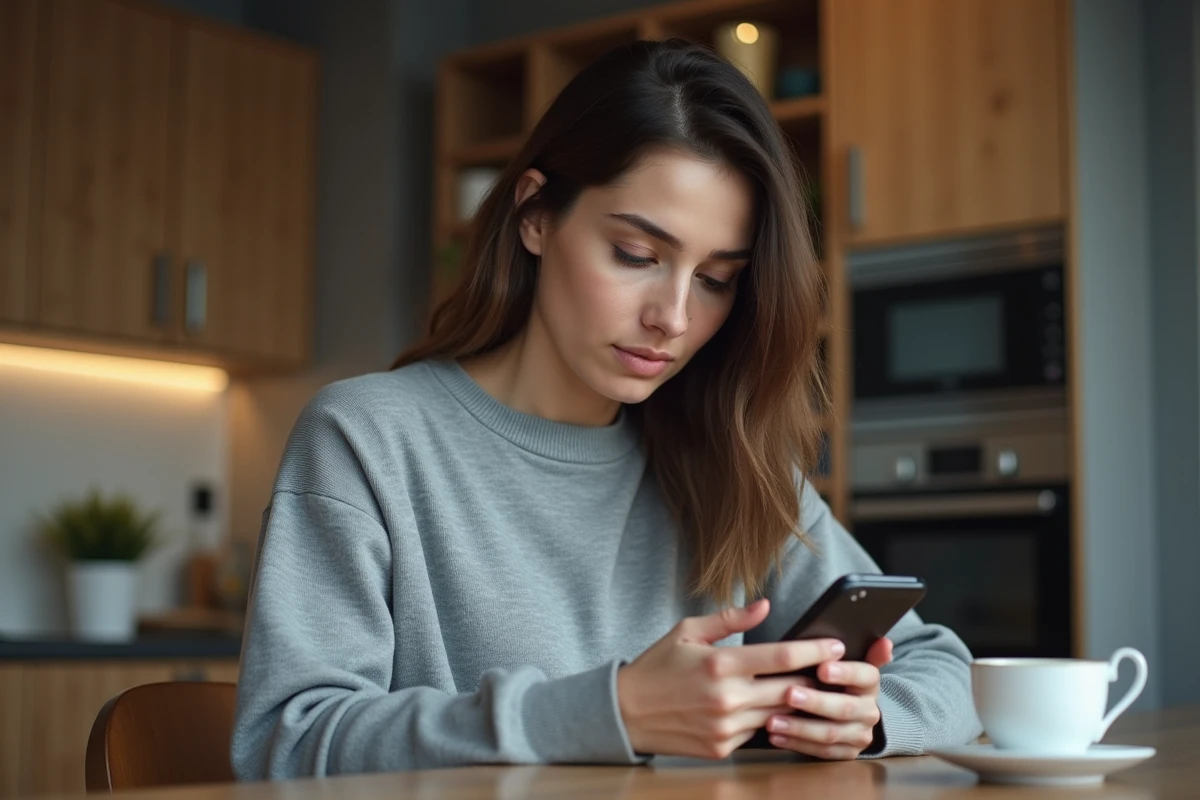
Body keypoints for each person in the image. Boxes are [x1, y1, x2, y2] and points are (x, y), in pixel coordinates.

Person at [231, 38, 982, 779]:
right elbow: (285, 744)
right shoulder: (368, 438)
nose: (674, 318)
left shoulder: (731, 461)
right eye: (636, 255)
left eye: (716, 279)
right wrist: (610, 712)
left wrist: (865, 717)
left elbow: (944, 670)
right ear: (535, 214)